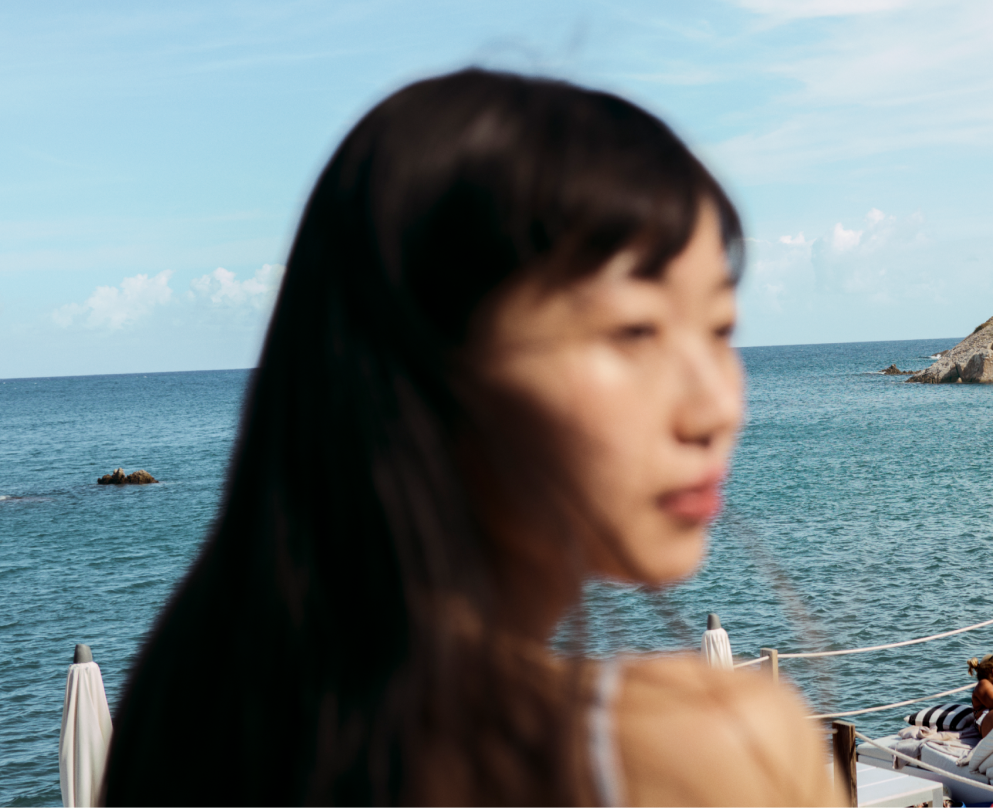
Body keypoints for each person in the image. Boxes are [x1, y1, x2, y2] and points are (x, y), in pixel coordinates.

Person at [101, 71, 840, 808]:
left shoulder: (184, 722)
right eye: (633, 330)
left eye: (719, 329)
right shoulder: (697, 752)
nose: (717, 407)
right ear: (417, 367)